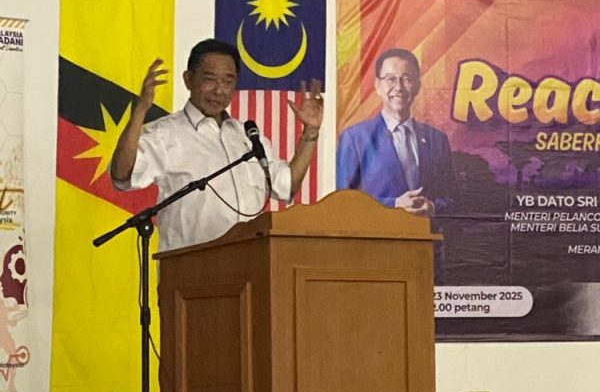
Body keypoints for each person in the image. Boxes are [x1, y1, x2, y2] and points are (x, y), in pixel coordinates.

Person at [111, 38, 323, 251]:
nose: (219, 90)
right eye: (210, 80)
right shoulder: (165, 134)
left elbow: (287, 185)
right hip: (191, 265)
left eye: (228, 82)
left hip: (249, 263)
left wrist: (310, 132)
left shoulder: (247, 136)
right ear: (188, 80)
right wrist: (140, 111)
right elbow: (122, 174)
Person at [336, 48, 452, 216]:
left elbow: (452, 199)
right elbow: (342, 202)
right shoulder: (354, 138)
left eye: (407, 79)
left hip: (426, 232)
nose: (399, 87)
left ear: (418, 86)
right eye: (390, 79)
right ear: (378, 85)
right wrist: (394, 204)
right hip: (378, 232)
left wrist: (432, 207)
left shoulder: (437, 139)